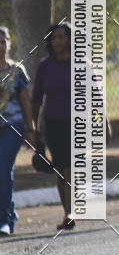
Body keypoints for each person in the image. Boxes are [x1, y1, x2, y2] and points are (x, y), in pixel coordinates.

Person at [32, 22, 74, 231]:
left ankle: (70, 212)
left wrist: (104, 120)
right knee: (60, 167)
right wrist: (33, 127)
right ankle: (67, 211)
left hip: (77, 123)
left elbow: (96, 94)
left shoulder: (81, 64)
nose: (57, 41)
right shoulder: (45, 65)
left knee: (71, 167)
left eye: (61, 37)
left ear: (70, 40)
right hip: (53, 123)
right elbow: (36, 98)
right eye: (54, 37)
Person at [0, 26, 36, 235]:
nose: (0, 46)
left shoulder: (16, 71)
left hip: (12, 126)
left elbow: (25, 101)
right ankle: (10, 215)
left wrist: (31, 129)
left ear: (9, 43)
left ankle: (3, 220)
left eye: (2, 41)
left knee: (4, 170)